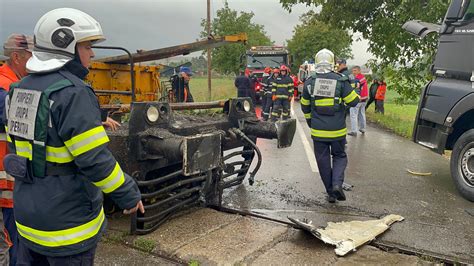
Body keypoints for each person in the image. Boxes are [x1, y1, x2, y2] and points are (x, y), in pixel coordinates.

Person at [3, 8, 143, 265]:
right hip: (67, 231)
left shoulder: (17, 90)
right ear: (65, 46)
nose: (92, 53)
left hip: (28, 220)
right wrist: (128, 194)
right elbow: (94, 160)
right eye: (87, 46)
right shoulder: (74, 93)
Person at [301, 49, 359, 203]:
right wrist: (355, 92)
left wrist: (310, 122)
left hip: (318, 131)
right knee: (339, 156)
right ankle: (337, 185)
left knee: (323, 161)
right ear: (333, 62)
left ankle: (331, 193)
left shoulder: (310, 82)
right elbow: (354, 101)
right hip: (337, 131)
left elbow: (304, 106)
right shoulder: (340, 80)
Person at [0, 33, 34, 266]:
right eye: (31, 57)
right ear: (16, 57)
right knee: (13, 243)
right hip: (6, 179)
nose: (34, 63)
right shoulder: (7, 87)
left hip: (9, 174)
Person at [348, 66, 368, 136]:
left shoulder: (357, 79)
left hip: (358, 99)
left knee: (353, 114)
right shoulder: (363, 77)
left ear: (359, 71)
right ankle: (363, 128)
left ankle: (354, 131)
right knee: (362, 114)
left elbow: (353, 89)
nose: (353, 72)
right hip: (364, 99)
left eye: (355, 70)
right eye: (353, 71)